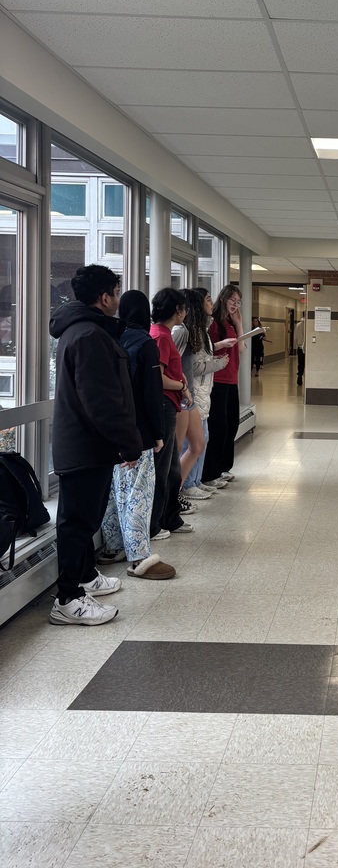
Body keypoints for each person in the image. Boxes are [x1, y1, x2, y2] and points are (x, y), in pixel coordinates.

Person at [48, 264, 143, 625]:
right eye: (116, 293)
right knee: (77, 522)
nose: (118, 300)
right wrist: (129, 443)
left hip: (89, 446)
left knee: (86, 520)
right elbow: (101, 401)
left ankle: (86, 577)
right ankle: (67, 599)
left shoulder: (85, 331)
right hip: (84, 447)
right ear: (104, 297)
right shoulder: (88, 336)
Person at [99, 291, 176, 580]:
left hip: (111, 429)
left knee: (114, 491)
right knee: (138, 495)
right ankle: (139, 558)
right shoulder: (146, 344)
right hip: (138, 432)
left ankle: (114, 546)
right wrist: (157, 434)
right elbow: (151, 394)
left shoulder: (112, 338)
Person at [149, 288, 193, 538]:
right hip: (166, 405)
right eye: (183, 308)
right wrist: (182, 387)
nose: (185, 312)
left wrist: (181, 380)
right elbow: (160, 378)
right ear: (177, 310)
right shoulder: (161, 337)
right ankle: (156, 524)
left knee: (172, 466)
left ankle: (170, 518)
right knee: (163, 467)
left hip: (171, 405)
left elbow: (171, 370)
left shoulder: (162, 333)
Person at [202, 285, 245, 484]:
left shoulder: (231, 322)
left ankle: (224, 467)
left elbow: (242, 348)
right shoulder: (213, 322)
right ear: (224, 299)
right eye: (232, 301)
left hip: (231, 379)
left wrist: (239, 324)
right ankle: (212, 471)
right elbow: (206, 350)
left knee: (231, 424)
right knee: (219, 427)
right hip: (217, 379)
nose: (235, 305)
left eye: (238, 302)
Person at [171, 289, 207, 511]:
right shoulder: (179, 331)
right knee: (176, 451)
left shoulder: (188, 330)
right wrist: (182, 386)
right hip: (180, 397)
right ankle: (172, 495)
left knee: (198, 444)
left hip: (187, 395)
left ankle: (175, 490)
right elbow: (167, 365)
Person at [295, 314, 306, 386]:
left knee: (300, 363)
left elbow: (295, 337)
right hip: (305, 347)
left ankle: (299, 376)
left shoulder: (298, 325)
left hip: (299, 347)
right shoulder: (306, 325)